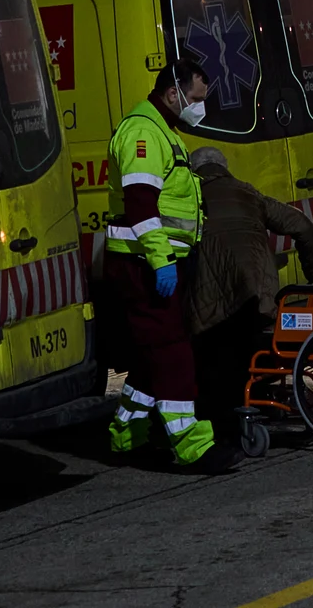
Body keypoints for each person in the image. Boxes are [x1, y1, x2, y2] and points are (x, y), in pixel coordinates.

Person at [100, 60, 239, 471]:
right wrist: (162, 263)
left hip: (155, 261)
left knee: (150, 356)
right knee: (173, 353)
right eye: (196, 98)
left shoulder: (163, 130)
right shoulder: (144, 133)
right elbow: (140, 207)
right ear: (173, 93)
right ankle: (192, 445)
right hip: (143, 264)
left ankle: (127, 433)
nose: (200, 108)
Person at [183, 146, 313, 440]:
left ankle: (219, 416)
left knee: (210, 351)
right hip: (257, 297)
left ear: (192, 171)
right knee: (254, 340)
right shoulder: (247, 193)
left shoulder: (188, 198)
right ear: (224, 167)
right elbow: (302, 225)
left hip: (209, 307)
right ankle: (259, 397)